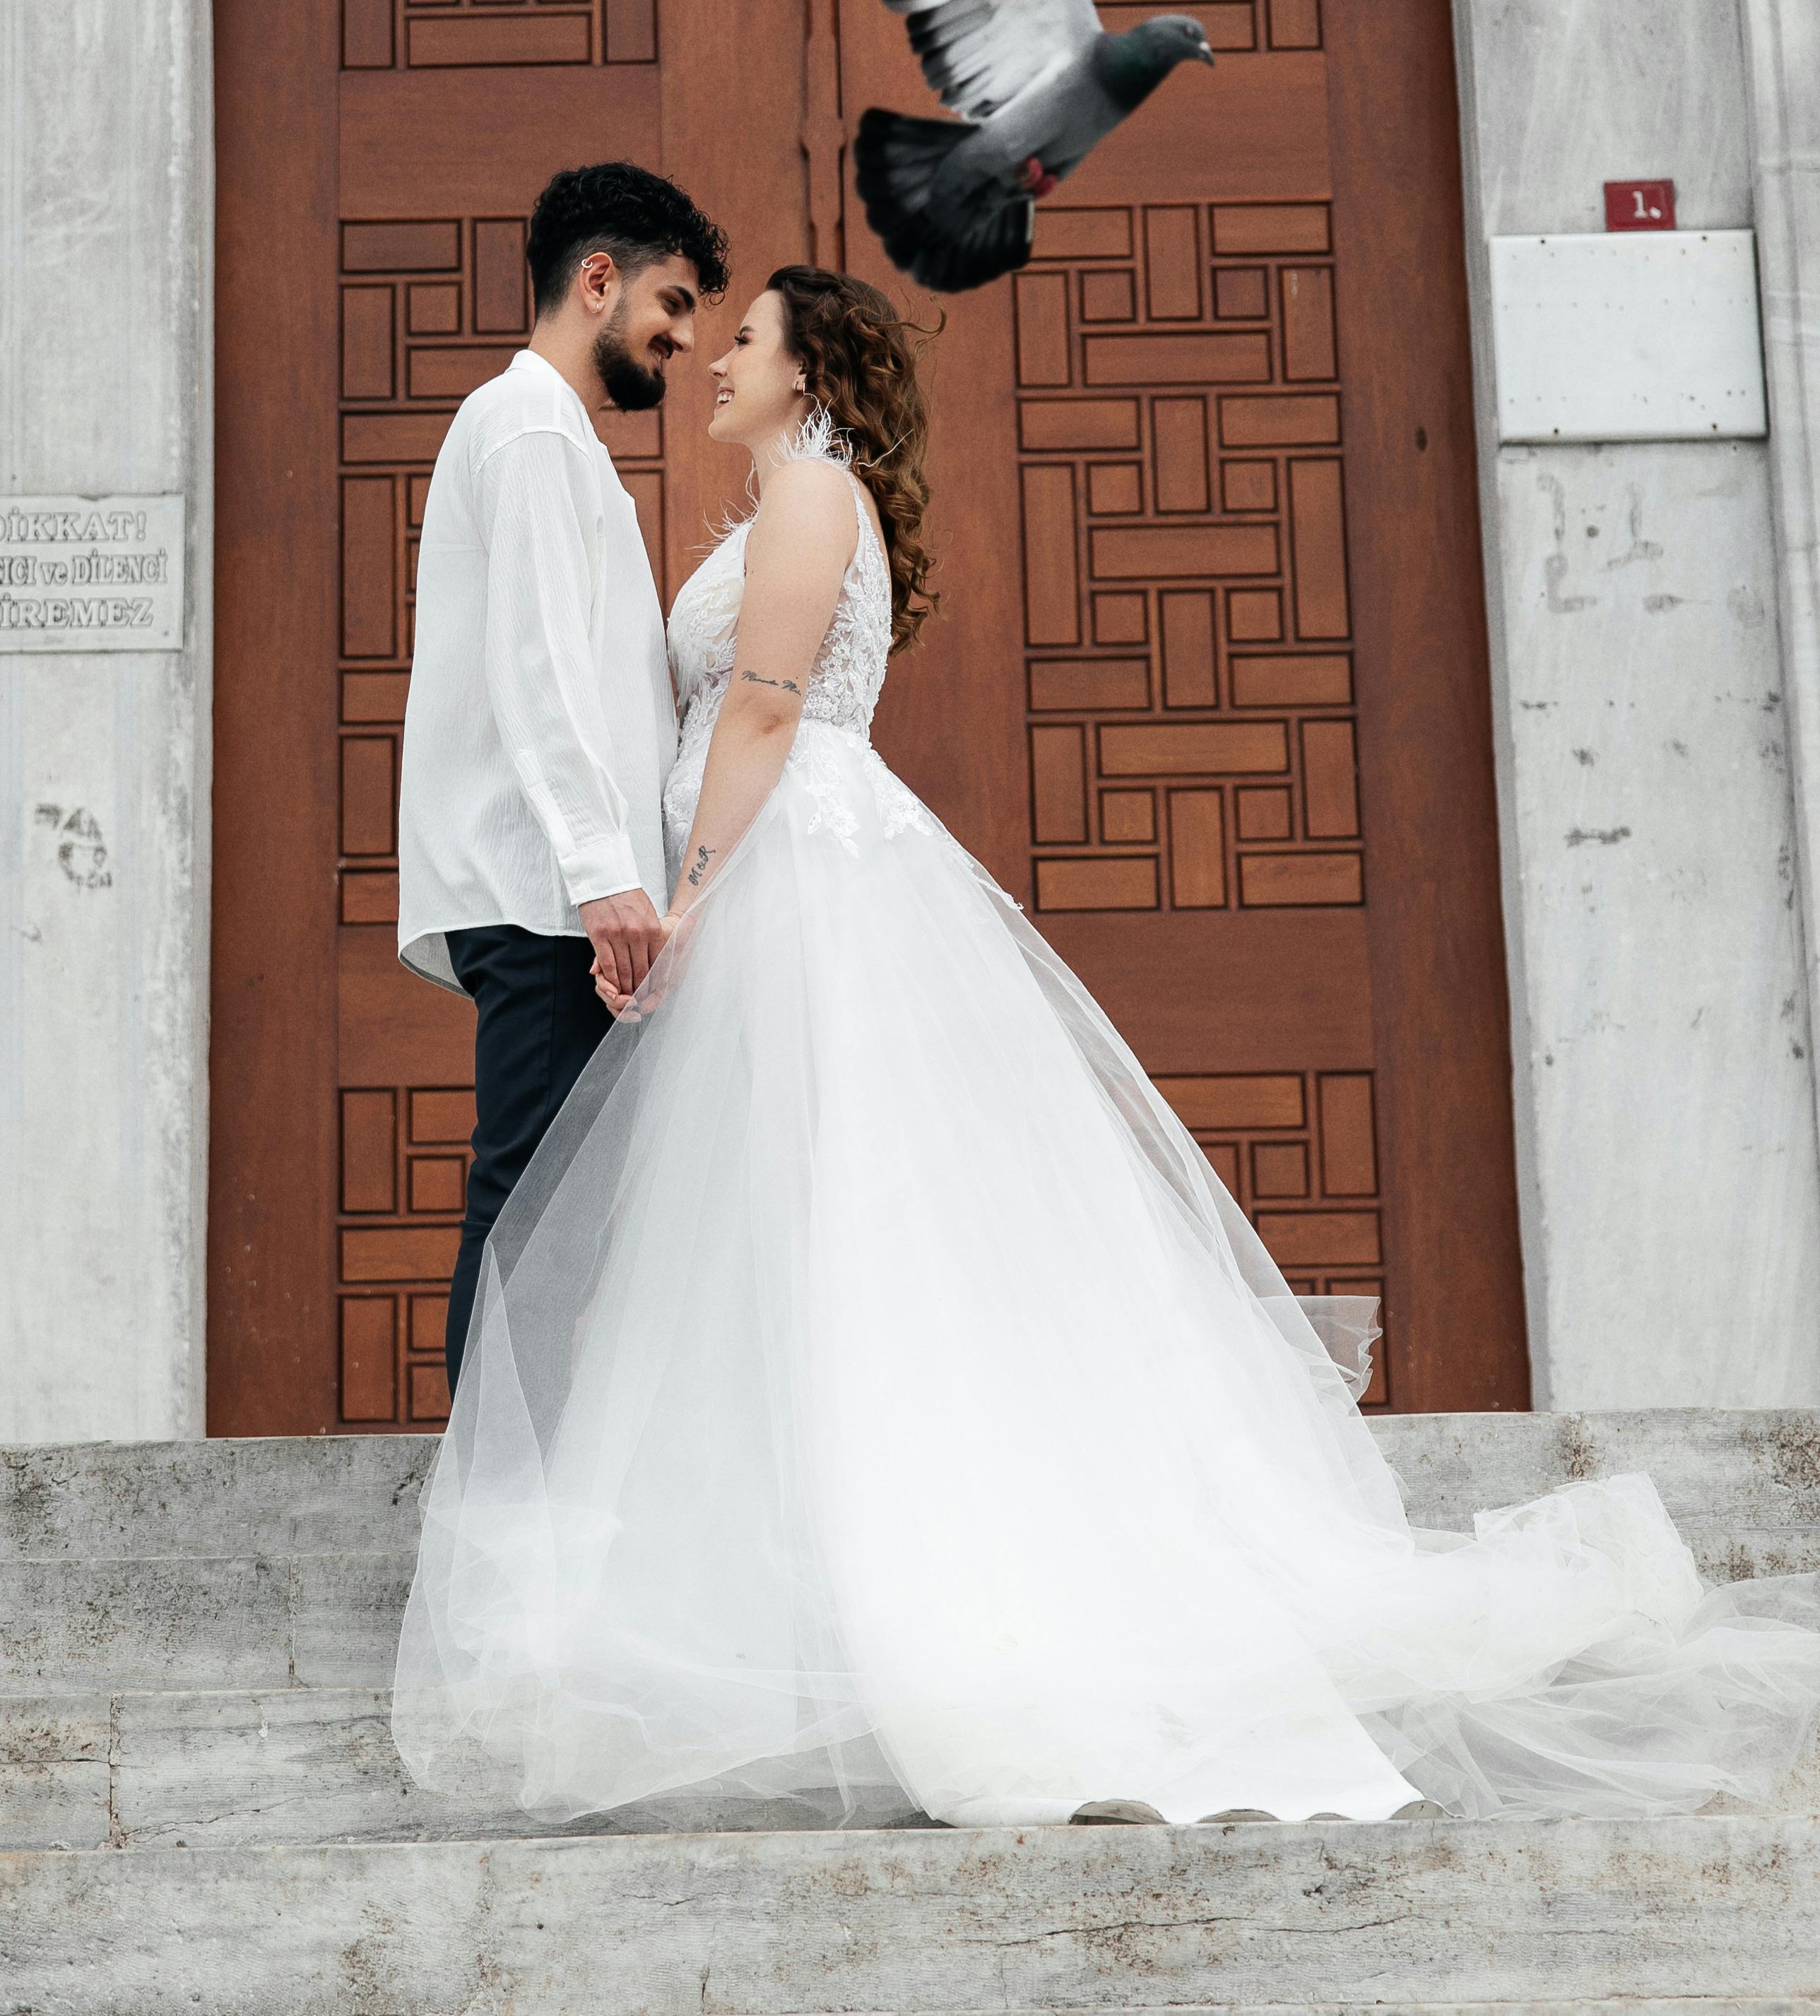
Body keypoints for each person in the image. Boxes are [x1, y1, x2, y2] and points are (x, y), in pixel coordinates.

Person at [394, 263, 1820, 1831]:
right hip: (778, 882)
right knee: (789, 1237)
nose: (718, 358)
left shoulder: (809, 497)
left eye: (748, 340)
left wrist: (689, 898)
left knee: (845, 1228)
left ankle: (923, 1589)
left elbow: (763, 713)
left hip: (791, 881)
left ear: (812, 377)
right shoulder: (783, 502)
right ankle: (797, 1569)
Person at [396, 160, 728, 1389]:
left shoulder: (552, 436)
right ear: (599, 280)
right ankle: (494, 1522)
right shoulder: (529, 422)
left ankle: (525, 1499)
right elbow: (536, 671)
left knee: (561, 1216)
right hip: (545, 894)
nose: (686, 340)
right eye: (675, 303)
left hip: (564, 893)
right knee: (534, 1204)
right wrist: (603, 879)